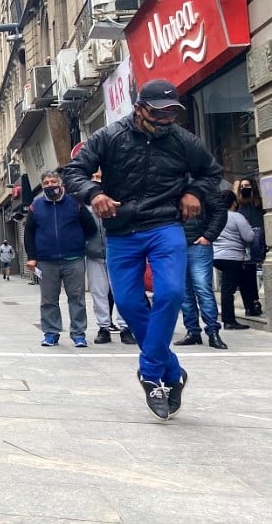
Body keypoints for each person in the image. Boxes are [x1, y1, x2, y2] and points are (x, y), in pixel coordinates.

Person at [64, 79, 223, 421]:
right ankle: (172, 371)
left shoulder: (184, 141)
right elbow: (73, 172)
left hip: (165, 225)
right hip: (121, 231)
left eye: (172, 113)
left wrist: (195, 192)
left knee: (170, 292)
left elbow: (212, 172)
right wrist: (94, 194)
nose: (167, 119)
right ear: (139, 109)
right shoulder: (109, 136)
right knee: (130, 303)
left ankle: (149, 372)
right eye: (159, 112)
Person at [24, 171, 97, 348]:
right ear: (42, 186)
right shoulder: (36, 205)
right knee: (48, 299)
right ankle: (51, 333)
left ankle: (79, 334)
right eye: (46, 182)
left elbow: (91, 227)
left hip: (74, 259)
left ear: (61, 184)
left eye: (53, 181)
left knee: (77, 298)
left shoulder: (75, 203)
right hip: (46, 261)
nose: (50, 185)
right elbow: (29, 232)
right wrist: (32, 257)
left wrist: (77, 243)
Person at [86, 171, 136, 346]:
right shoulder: (85, 208)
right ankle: (104, 327)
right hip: (94, 254)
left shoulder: (119, 202)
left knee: (121, 291)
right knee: (98, 292)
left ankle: (126, 327)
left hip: (118, 252)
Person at [175, 188, 228, 348]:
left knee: (202, 288)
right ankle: (193, 331)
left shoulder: (201, 183)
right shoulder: (170, 179)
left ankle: (212, 331)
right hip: (177, 244)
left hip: (198, 243)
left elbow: (220, 210)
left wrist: (208, 236)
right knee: (184, 291)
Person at [213, 190, 255, 330]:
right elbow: (249, 236)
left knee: (232, 285)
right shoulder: (237, 217)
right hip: (232, 257)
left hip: (216, 256)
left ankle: (250, 308)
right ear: (234, 203)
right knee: (228, 289)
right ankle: (229, 320)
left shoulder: (215, 216)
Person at [234, 178, 264, 316]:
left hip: (260, 243)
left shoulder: (260, 205)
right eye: (242, 186)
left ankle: (255, 302)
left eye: (247, 186)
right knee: (247, 276)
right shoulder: (237, 207)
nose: (244, 188)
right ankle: (251, 304)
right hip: (244, 245)